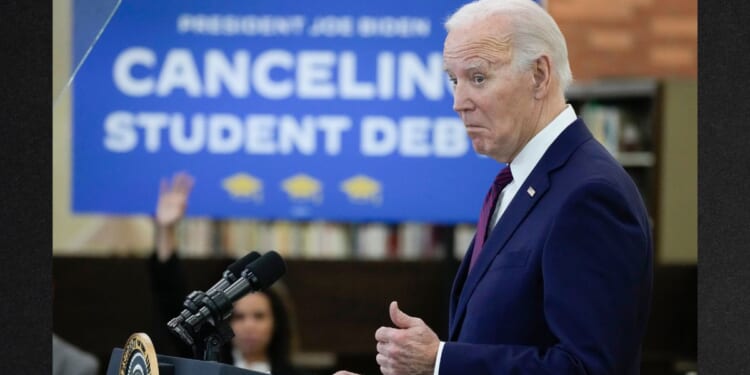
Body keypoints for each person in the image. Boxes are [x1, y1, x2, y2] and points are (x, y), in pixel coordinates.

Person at [335, 0, 653, 374]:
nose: (458, 102)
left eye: (478, 77)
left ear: (539, 75)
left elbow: (587, 368)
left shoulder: (590, 194)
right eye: (454, 80)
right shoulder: (516, 180)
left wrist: (438, 360)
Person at [149, 172, 304, 375]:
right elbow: (170, 293)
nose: (249, 326)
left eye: (259, 316)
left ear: (276, 322)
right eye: (239, 317)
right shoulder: (207, 365)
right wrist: (166, 229)